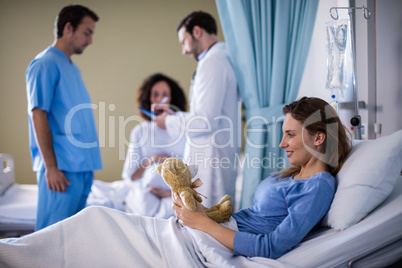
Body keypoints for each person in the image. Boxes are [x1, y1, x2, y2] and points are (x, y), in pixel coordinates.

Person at [0, 97, 351, 266]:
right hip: (208, 231)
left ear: (318, 137)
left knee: (97, 224)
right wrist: (197, 210)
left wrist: (200, 222)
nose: (282, 144)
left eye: (290, 135)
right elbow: (247, 217)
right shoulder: (291, 175)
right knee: (96, 222)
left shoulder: (318, 186)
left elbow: (272, 246)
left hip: (210, 245)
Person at [25, 4, 102, 230]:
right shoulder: (45, 64)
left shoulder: (72, 68)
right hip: (62, 169)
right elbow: (38, 114)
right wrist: (51, 168)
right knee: (51, 239)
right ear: (68, 28)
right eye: (87, 33)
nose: (90, 40)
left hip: (82, 167)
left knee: (72, 237)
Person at [154, 11, 241, 208]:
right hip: (213, 153)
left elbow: (205, 121)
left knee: (208, 218)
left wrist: (167, 121)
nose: (184, 51)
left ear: (197, 31)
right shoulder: (218, 58)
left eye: (184, 41)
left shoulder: (212, 62)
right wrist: (176, 116)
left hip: (211, 160)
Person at [87, 73, 188, 218]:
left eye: (165, 95)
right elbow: (131, 177)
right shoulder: (140, 131)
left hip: (175, 193)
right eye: (155, 95)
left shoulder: (184, 131)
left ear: (172, 99)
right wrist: (153, 159)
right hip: (145, 191)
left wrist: (168, 193)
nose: (160, 99)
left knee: (178, 209)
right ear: (149, 99)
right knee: (143, 205)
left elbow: (191, 176)